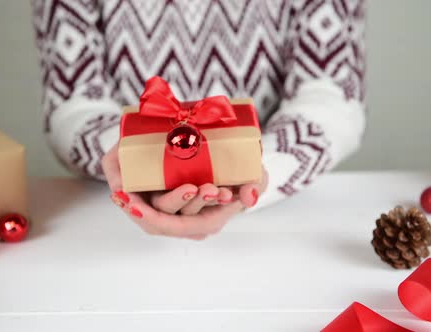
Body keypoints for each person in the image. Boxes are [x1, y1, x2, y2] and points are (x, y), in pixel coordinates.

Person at [32, 0, 366, 240]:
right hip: (108, 230)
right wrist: (133, 165)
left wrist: (260, 172)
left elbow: (333, 97)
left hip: (280, 228)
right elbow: (74, 103)